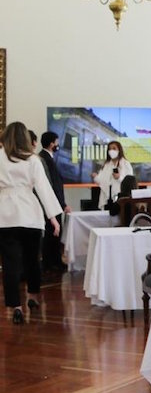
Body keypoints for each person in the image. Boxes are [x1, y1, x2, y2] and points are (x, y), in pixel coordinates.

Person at [0, 122, 63, 324]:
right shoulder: (33, 160)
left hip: (5, 215)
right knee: (32, 260)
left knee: (10, 264)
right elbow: (44, 189)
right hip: (30, 214)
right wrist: (53, 218)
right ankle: (33, 297)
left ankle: (15, 306)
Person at [39, 131, 70, 272]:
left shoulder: (47, 157)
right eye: (57, 142)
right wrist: (62, 204)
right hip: (53, 203)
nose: (58, 145)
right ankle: (52, 263)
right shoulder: (45, 159)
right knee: (53, 234)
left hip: (54, 202)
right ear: (52, 143)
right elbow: (53, 185)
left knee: (54, 234)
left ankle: (53, 261)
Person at [91, 140, 134, 210]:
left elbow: (130, 182)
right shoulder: (106, 165)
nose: (111, 151)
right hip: (107, 198)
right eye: (110, 149)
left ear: (119, 150)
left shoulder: (125, 164)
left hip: (121, 198)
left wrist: (119, 177)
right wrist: (95, 177)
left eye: (114, 148)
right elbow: (101, 181)